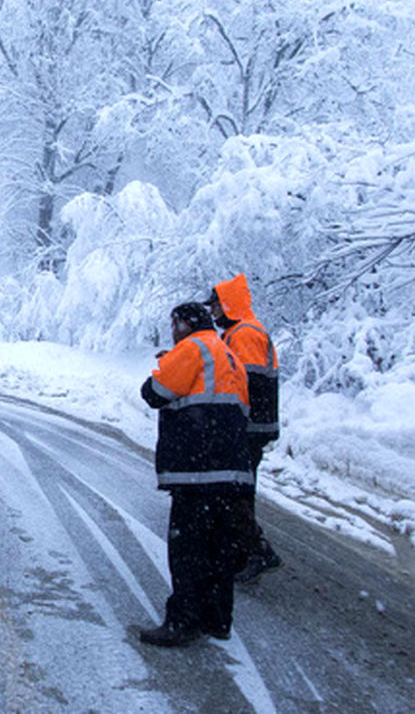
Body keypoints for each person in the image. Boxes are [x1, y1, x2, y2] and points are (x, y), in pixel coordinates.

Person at [138, 302, 253, 647]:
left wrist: (166, 362)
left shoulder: (191, 348)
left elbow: (154, 393)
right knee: (219, 547)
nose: (172, 330)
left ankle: (183, 621)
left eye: (174, 323)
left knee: (187, 548)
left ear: (186, 323)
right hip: (231, 469)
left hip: (197, 469)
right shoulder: (230, 355)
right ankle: (217, 620)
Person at [205, 274, 283, 583]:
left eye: (215, 306)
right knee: (235, 490)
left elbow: (245, 385)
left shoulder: (246, 334)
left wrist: (231, 424)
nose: (212, 313)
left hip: (248, 428)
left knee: (236, 492)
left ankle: (256, 551)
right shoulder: (238, 332)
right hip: (250, 427)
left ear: (228, 305)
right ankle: (241, 551)